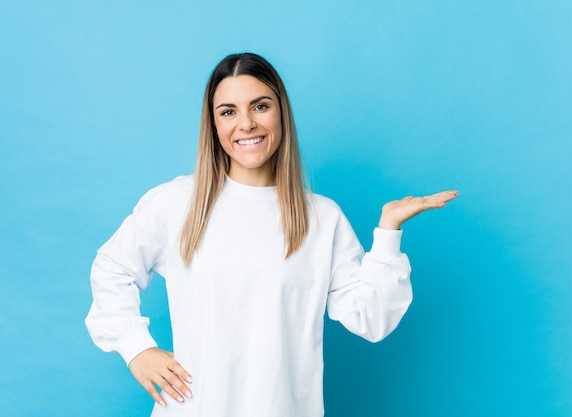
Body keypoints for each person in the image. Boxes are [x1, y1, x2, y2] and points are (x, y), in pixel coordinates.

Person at [85, 52, 458, 417]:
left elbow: (372, 319)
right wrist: (137, 350)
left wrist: (388, 231)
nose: (245, 124)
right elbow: (112, 267)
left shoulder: (321, 218)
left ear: (281, 114)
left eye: (260, 106)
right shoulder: (175, 203)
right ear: (214, 125)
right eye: (228, 112)